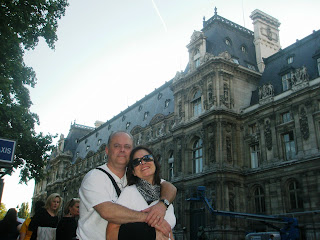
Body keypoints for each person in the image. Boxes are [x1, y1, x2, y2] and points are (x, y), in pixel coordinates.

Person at [77, 131, 177, 240]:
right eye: (116, 146)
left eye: (127, 147)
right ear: (107, 150)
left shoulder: (138, 178)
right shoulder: (95, 177)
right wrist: (153, 218)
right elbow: (108, 212)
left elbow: (169, 187)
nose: (122, 150)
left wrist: (162, 205)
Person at [106, 146, 176, 240]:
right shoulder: (129, 192)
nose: (143, 162)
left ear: (154, 162)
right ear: (133, 172)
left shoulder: (164, 191)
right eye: (136, 162)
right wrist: (151, 235)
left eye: (147, 158)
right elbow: (111, 233)